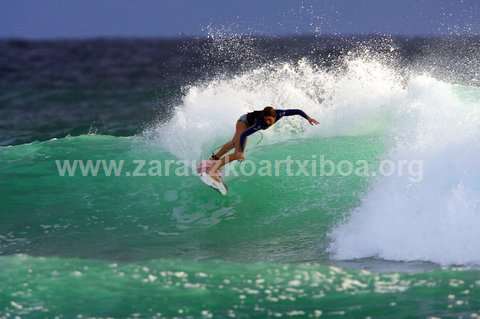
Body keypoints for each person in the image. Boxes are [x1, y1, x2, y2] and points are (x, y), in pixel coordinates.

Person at [207, 106, 319, 181]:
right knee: (238, 154)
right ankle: (213, 169)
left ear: (275, 116)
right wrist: (241, 151)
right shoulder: (260, 123)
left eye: (269, 120)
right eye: (266, 120)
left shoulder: (280, 113)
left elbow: (297, 111)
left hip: (246, 122)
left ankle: (214, 158)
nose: (267, 122)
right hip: (243, 122)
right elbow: (243, 135)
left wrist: (308, 118)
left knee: (233, 143)